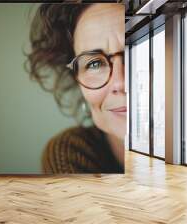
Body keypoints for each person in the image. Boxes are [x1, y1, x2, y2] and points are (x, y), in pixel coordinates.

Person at [26, 3, 125, 173]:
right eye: (95, 63)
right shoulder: (70, 152)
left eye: (139, 49)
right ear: (77, 80)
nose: (119, 82)